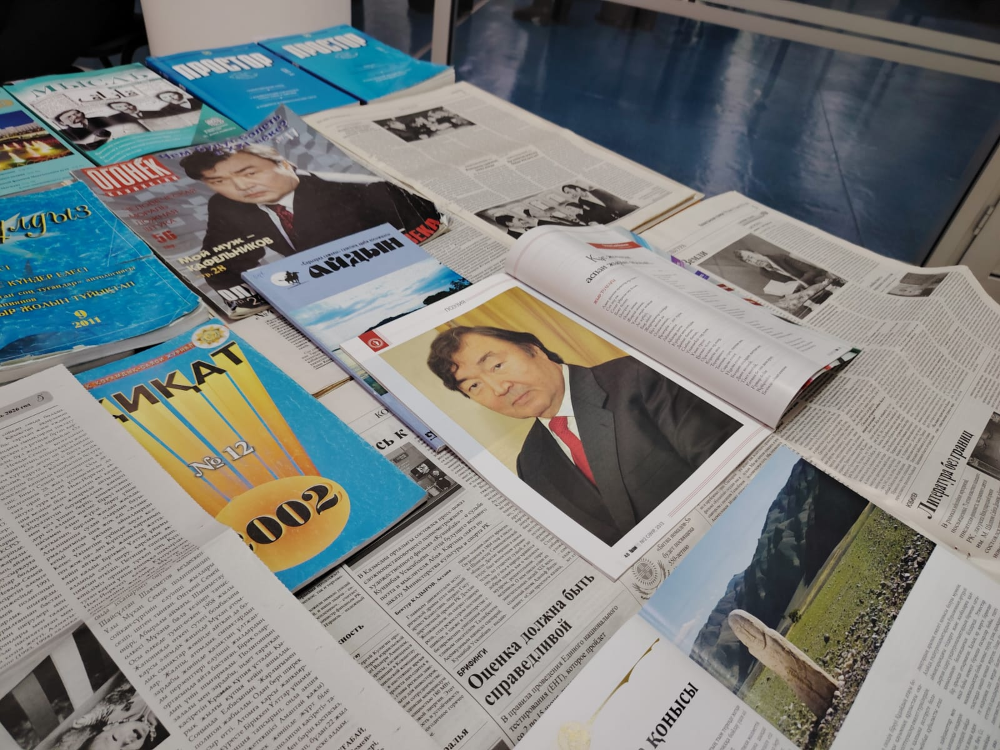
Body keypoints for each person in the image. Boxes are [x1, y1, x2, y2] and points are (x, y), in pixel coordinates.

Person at [427, 326, 740, 545]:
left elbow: (726, 465)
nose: (498, 388)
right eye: (474, 386)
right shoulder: (530, 464)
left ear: (534, 350)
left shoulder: (639, 376)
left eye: (496, 365)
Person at [178, 143, 442, 297]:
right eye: (219, 181)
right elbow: (222, 268)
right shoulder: (225, 205)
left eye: (249, 173)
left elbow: (423, 240)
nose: (241, 187)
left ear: (285, 164)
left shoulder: (365, 190)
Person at [734, 248, 830, 289]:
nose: (754, 261)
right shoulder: (764, 272)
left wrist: (799, 283)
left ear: (756, 253)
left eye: (751, 257)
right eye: (749, 261)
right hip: (806, 290)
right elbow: (785, 286)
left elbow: (812, 271)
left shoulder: (780, 257)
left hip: (818, 279)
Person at [560, 183, 637, 224]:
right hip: (613, 218)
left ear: (577, 189)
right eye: (567, 193)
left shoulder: (597, 191)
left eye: (569, 192)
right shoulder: (581, 201)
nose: (570, 195)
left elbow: (616, 199)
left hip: (625, 210)